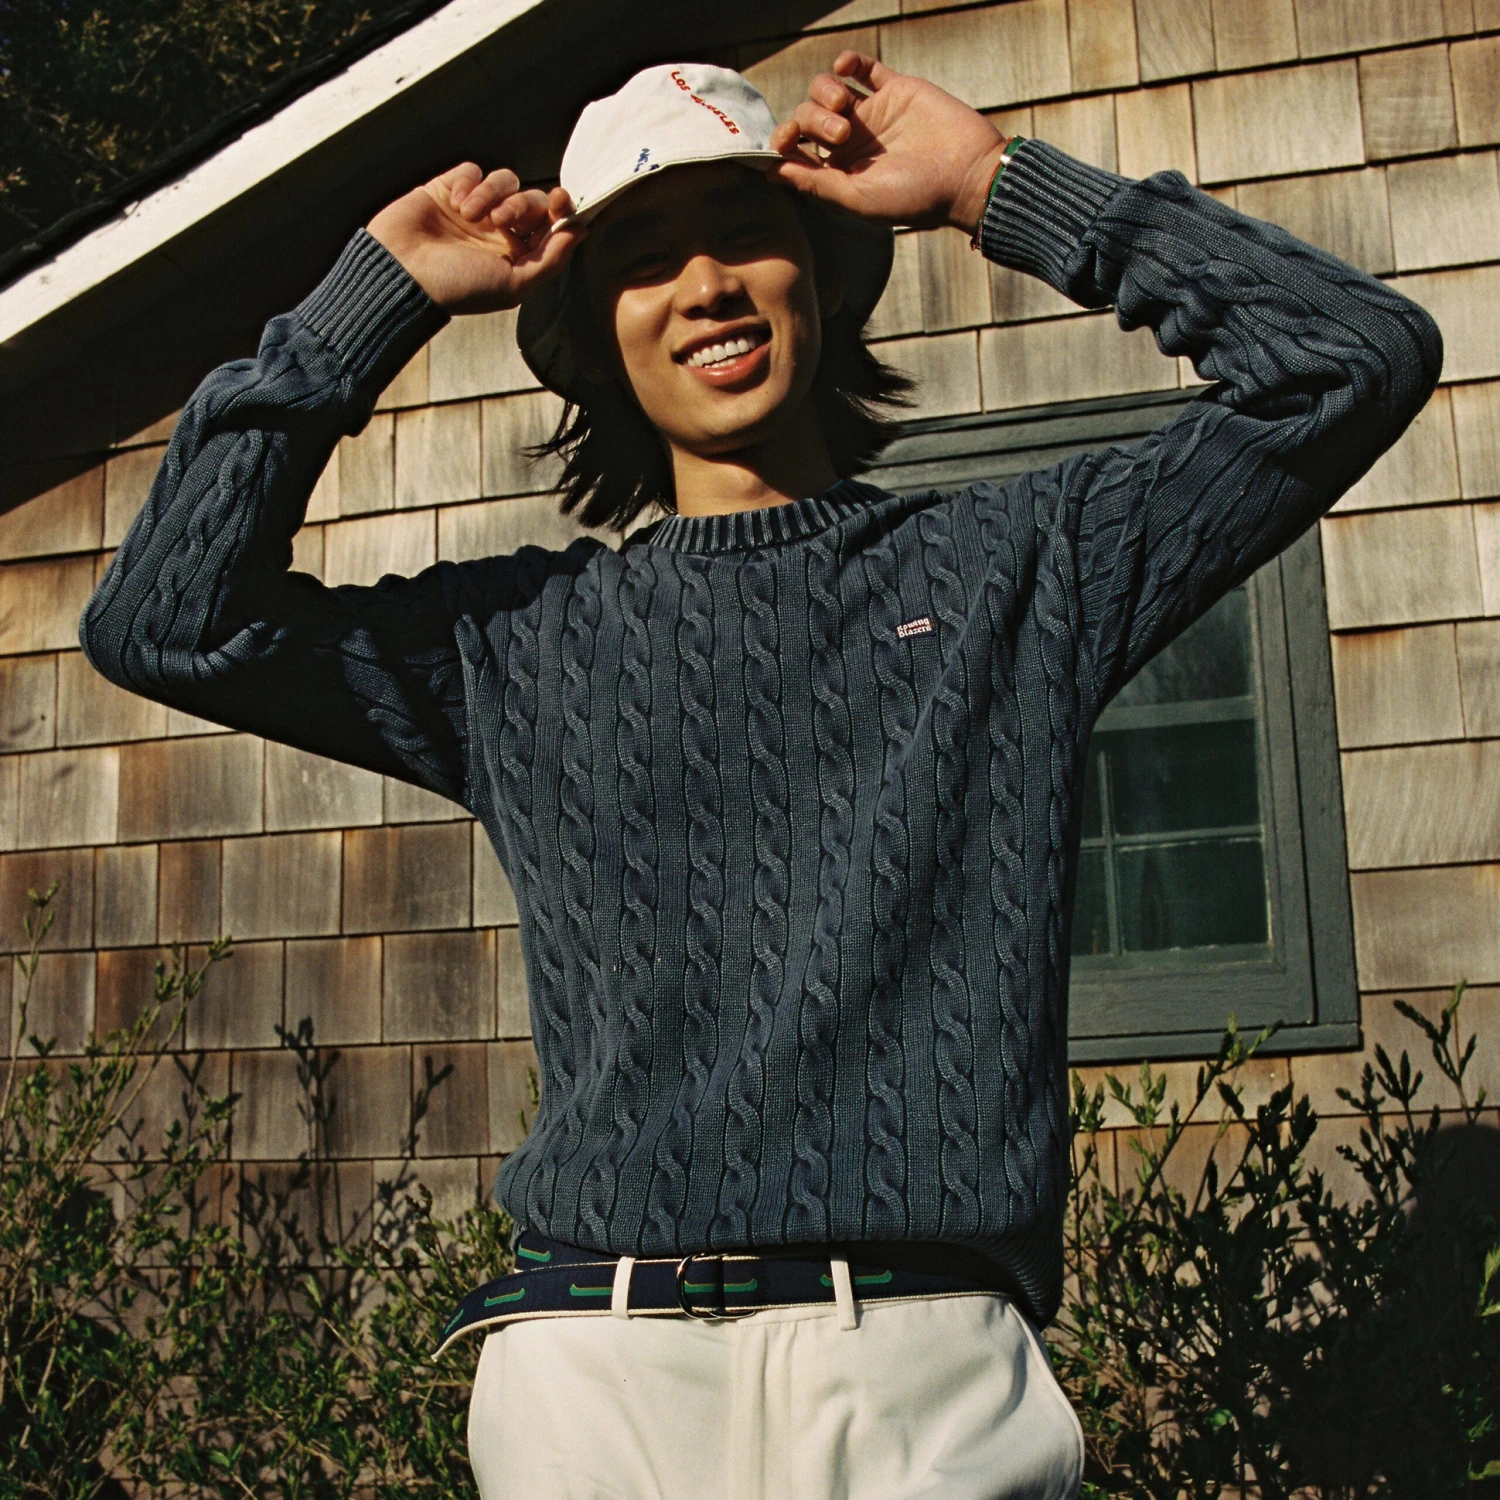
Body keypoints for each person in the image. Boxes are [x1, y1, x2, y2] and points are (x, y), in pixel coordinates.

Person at [81, 50, 1440, 1500]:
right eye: (646, 260)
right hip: (595, 1369)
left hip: (917, 1358)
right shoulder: (511, 641)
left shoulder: (1015, 569)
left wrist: (995, 186)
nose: (708, 285)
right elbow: (165, 622)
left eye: (746, 235)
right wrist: (370, 305)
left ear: (823, 282)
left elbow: (1350, 360)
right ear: (597, 337)